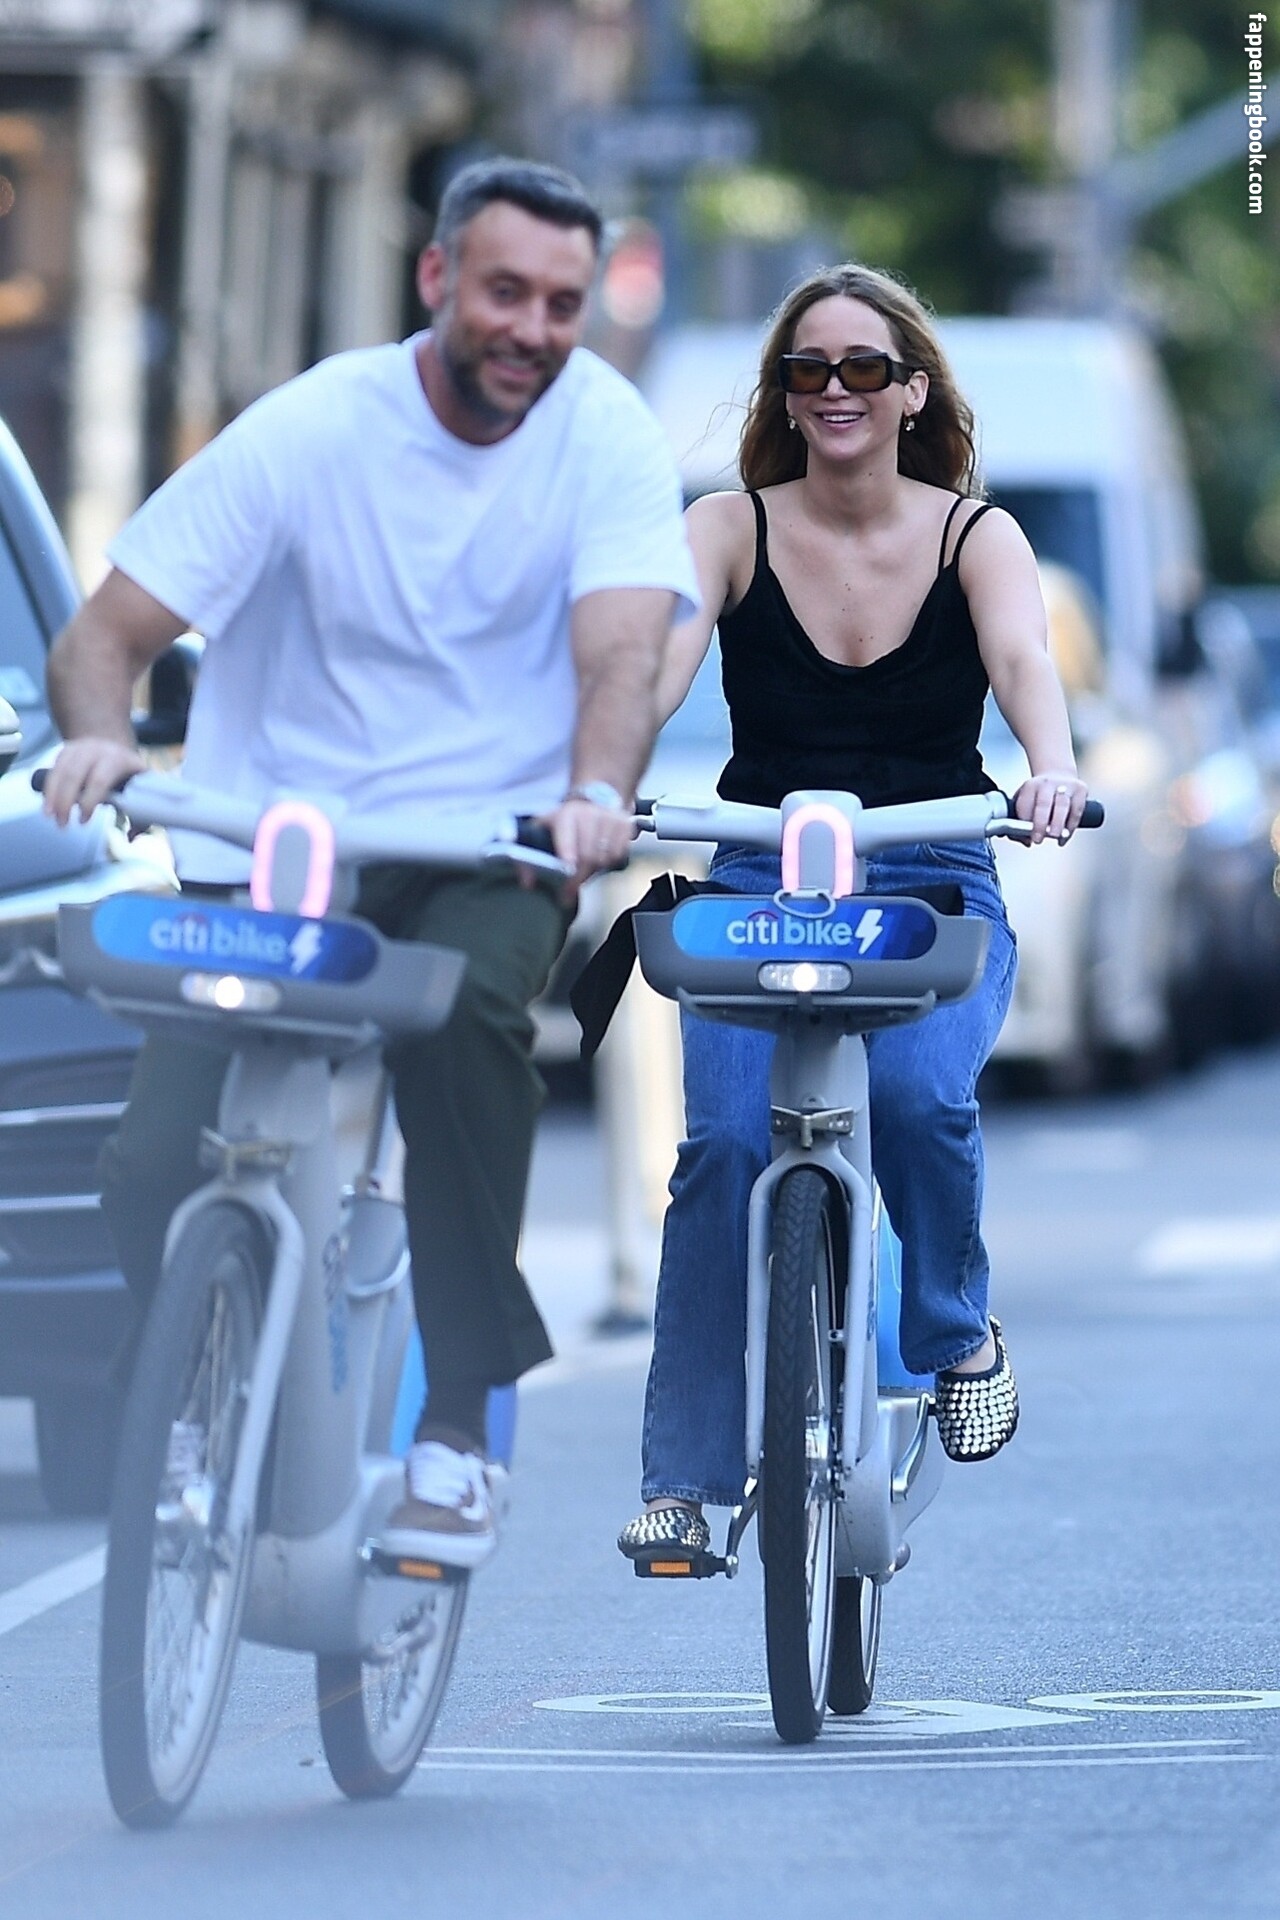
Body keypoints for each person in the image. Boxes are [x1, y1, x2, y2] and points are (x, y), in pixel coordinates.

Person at [40, 156, 699, 1569]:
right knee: (153, 1156)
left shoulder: (606, 435)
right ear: (437, 277)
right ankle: (192, 1385)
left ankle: (458, 1426)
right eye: (506, 291)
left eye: (563, 303)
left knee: (465, 1023)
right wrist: (97, 742)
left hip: (489, 841)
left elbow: (620, 657)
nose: (533, 329)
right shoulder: (316, 428)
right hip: (270, 839)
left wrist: (595, 792)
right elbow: (105, 640)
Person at [617, 263, 1087, 1565]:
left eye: (864, 368)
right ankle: (684, 1483)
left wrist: (1050, 768)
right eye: (809, 369)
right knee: (722, 1150)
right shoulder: (727, 527)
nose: (836, 389)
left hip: (929, 873)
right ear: (784, 394)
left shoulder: (975, 537)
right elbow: (655, 671)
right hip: (759, 878)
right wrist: (598, 787)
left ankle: (955, 1333)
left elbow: (1023, 659)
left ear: (911, 392)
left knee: (924, 1100)